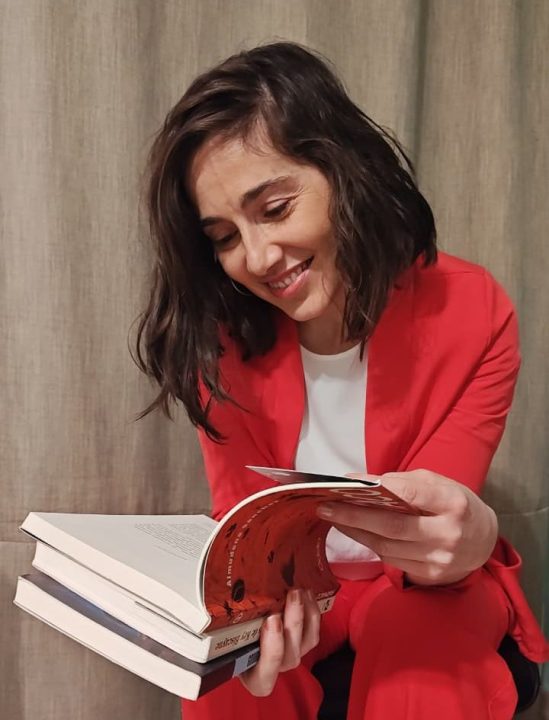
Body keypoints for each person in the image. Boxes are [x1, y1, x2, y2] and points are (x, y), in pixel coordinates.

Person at [134, 42, 548, 720]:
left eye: (275, 208)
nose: (256, 258)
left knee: (420, 654)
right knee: (231, 681)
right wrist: (245, 628)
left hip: (427, 590)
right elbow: (244, 528)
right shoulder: (221, 345)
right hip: (297, 590)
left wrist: (471, 534)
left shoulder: (474, 311)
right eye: (224, 237)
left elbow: (429, 534)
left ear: (343, 169)